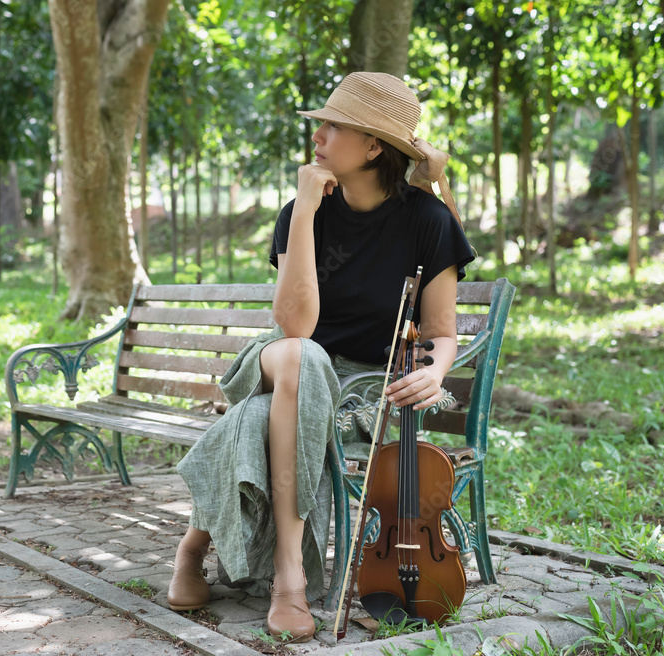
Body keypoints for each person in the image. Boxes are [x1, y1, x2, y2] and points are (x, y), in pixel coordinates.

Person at [167, 72, 475, 643]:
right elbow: (294, 326)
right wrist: (306, 211)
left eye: (333, 127)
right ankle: (290, 577)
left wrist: (433, 369)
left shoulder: (427, 222)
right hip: (277, 360)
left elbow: (439, 332)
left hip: (360, 387)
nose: (319, 136)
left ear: (374, 145)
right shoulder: (301, 210)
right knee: (305, 358)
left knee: (259, 419)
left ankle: (191, 550)